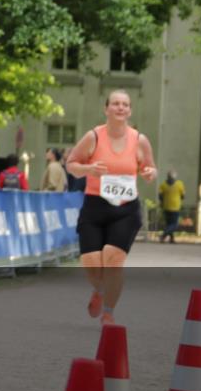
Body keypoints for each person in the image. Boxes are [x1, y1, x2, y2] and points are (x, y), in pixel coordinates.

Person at [67, 89, 156, 325]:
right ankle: (100, 289)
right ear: (106, 109)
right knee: (92, 264)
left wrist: (148, 173)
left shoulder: (139, 140)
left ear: (130, 111)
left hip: (125, 209)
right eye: (115, 104)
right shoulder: (93, 137)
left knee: (112, 259)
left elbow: (150, 168)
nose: (120, 108)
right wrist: (88, 170)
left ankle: (108, 311)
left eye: (125, 104)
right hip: (95, 206)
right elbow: (71, 164)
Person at [158, 170, 185, 243]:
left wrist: (162, 202)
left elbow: (160, 195)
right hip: (175, 207)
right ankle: (163, 235)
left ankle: (171, 239)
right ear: (175, 177)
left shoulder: (163, 184)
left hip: (166, 206)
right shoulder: (179, 184)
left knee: (169, 223)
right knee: (174, 225)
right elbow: (183, 196)